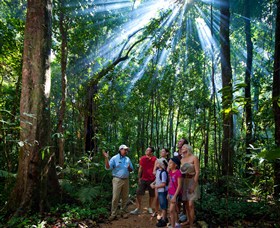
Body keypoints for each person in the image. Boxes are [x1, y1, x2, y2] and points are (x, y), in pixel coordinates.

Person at [103, 144, 134, 221]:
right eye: (125, 150)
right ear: (120, 150)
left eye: (127, 150)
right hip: (117, 180)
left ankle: (123, 212)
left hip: (126, 180)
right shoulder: (114, 158)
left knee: (125, 197)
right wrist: (106, 158)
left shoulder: (127, 159)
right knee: (115, 197)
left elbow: (132, 170)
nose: (126, 151)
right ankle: (113, 214)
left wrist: (129, 168)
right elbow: (108, 167)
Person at [130, 146, 157, 215]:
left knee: (152, 194)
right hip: (143, 179)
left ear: (151, 152)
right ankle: (138, 208)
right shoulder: (143, 158)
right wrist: (139, 178)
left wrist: (156, 179)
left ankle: (150, 207)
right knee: (138, 193)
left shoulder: (155, 159)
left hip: (152, 179)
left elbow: (156, 169)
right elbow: (140, 168)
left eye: (148, 150)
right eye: (146, 150)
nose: (146, 151)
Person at [180, 144, 200, 227]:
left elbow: (197, 172)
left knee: (191, 204)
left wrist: (193, 185)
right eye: (182, 147)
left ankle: (192, 225)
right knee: (186, 203)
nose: (182, 148)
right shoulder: (182, 159)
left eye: (184, 147)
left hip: (192, 180)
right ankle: (188, 220)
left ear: (188, 148)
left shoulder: (194, 157)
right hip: (184, 181)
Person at [150, 158, 169, 227]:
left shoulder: (163, 173)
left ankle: (164, 220)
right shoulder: (158, 171)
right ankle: (164, 218)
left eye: (158, 163)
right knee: (162, 205)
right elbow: (157, 179)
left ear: (161, 164)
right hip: (159, 190)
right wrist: (153, 183)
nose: (156, 164)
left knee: (163, 206)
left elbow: (164, 184)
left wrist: (155, 187)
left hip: (163, 191)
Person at [152, 148, 170, 217]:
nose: (161, 152)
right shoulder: (157, 160)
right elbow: (154, 171)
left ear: (167, 153)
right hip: (158, 180)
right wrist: (157, 173)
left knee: (165, 196)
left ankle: (164, 212)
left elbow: (169, 171)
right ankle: (156, 211)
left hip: (166, 180)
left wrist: (165, 174)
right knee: (157, 197)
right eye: (161, 151)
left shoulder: (169, 161)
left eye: (163, 151)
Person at [168, 157, 182, 228]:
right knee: (174, 210)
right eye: (169, 163)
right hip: (170, 193)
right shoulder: (170, 172)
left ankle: (173, 226)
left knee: (171, 211)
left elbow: (179, 186)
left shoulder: (178, 172)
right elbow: (170, 183)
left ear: (176, 165)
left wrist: (174, 196)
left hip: (175, 194)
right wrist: (168, 193)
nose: (169, 164)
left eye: (170, 163)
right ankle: (177, 223)